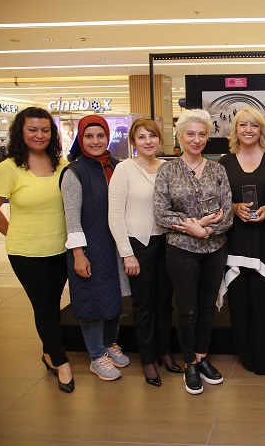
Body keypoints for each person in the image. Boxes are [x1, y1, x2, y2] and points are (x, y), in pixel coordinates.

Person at [0, 107, 74, 393]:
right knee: (44, 306)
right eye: (33, 129)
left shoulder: (60, 163)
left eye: (45, 130)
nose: (39, 135)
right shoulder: (9, 168)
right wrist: (15, 234)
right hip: (26, 253)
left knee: (54, 303)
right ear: (21, 132)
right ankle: (61, 362)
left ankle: (48, 352)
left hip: (60, 248)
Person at [154, 108, 233, 395]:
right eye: (190, 134)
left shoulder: (218, 169)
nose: (196, 140)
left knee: (206, 307)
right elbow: (161, 214)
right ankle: (189, 362)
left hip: (215, 249)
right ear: (179, 136)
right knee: (186, 309)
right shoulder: (167, 170)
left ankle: (202, 356)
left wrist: (209, 230)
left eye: (202, 134)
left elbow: (227, 214)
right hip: (181, 250)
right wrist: (195, 226)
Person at [108, 118, 180, 387]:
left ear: (160, 139)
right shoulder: (124, 170)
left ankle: (165, 352)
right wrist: (127, 254)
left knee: (164, 302)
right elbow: (114, 215)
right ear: (133, 142)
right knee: (144, 305)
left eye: (152, 136)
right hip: (138, 245)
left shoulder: (168, 168)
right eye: (141, 137)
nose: (148, 141)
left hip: (168, 243)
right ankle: (148, 360)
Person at [61, 115, 131, 381]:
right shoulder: (74, 173)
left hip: (114, 244)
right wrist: (78, 254)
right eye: (88, 136)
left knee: (113, 294)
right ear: (80, 139)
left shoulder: (118, 166)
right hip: (89, 246)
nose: (95, 141)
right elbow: (71, 217)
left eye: (100, 135)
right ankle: (96, 355)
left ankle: (110, 343)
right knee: (91, 299)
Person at [218, 108, 265, 375]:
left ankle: (264, 358)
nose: (248, 130)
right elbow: (218, 202)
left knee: (264, 304)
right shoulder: (224, 163)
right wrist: (234, 206)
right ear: (235, 129)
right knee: (239, 304)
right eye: (243, 125)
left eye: (254, 126)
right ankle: (246, 355)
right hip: (235, 243)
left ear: (262, 131)